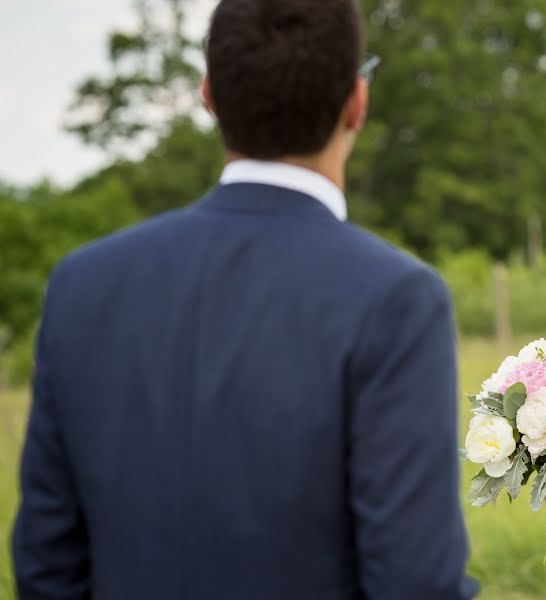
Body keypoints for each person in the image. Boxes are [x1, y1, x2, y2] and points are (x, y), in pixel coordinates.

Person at [12, 1, 476, 598]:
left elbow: (46, 565)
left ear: (209, 95)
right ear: (356, 103)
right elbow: (415, 583)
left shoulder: (82, 283)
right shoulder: (395, 297)